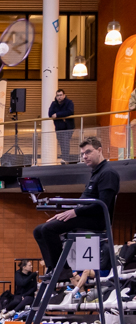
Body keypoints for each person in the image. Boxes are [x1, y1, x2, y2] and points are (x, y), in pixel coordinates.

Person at [33, 136, 118, 280]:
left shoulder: (108, 173)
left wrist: (74, 212)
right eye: (82, 154)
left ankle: (63, 270)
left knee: (48, 229)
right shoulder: (96, 173)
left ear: (99, 150)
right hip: (84, 215)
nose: (85, 156)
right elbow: (85, 202)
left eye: (88, 152)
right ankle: (53, 268)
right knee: (39, 230)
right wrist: (68, 210)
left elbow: (102, 205)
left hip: (96, 221)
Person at [49, 89, 75, 163]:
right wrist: (61, 114)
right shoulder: (54, 103)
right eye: (58, 95)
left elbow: (70, 111)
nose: (59, 97)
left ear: (64, 95)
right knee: (61, 143)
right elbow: (50, 113)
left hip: (68, 126)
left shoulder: (69, 102)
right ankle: (64, 157)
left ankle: (65, 158)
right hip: (59, 127)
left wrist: (57, 114)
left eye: (60, 95)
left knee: (65, 142)